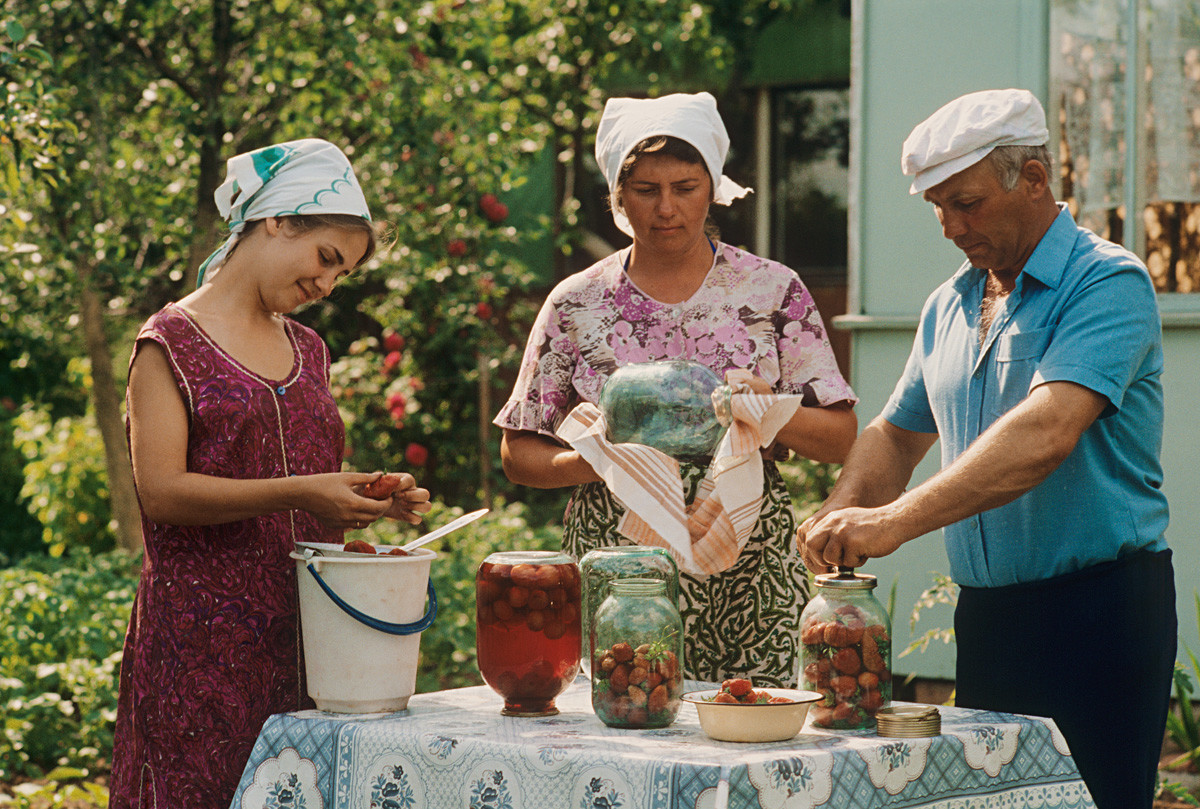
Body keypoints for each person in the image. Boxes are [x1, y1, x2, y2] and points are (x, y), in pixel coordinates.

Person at [796, 89, 1175, 809]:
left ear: (1033, 179)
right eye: (936, 205)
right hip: (991, 618)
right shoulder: (950, 303)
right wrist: (843, 508)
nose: (949, 225)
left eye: (964, 202)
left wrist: (891, 523)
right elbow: (896, 432)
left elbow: (1046, 431)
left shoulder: (1107, 282)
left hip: (1099, 612)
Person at [109, 138, 432, 809]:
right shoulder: (168, 341)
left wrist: (367, 496)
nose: (327, 284)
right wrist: (302, 490)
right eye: (326, 258)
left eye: (342, 273)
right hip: (200, 649)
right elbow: (161, 492)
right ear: (280, 219)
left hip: (314, 645)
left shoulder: (308, 349)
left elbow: (309, 476)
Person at [495, 92, 858, 687]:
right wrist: (611, 463)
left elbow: (841, 435)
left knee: (755, 725)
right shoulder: (578, 303)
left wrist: (766, 411)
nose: (666, 208)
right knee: (628, 709)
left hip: (748, 557)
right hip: (621, 560)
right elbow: (520, 453)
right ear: (617, 194)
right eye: (645, 189)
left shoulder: (769, 291)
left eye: (686, 187)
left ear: (713, 187)